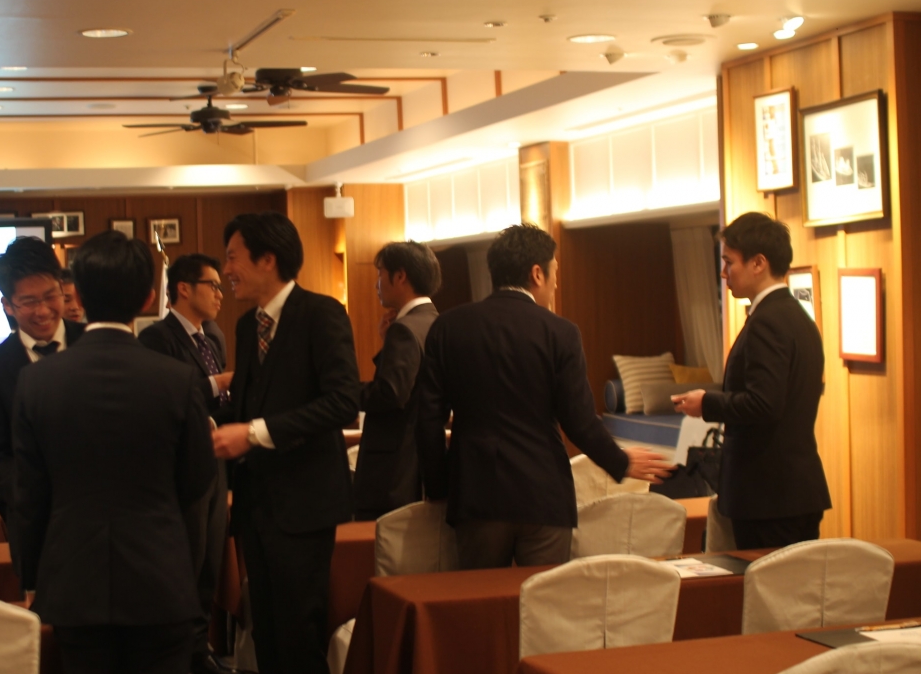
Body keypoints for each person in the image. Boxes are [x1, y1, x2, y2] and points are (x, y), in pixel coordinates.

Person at [10, 230, 216, 674]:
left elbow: (29, 496)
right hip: (160, 578)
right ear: (148, 297)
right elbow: (198, 480)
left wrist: (31, 578)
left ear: (75, 293)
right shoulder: (177, 380)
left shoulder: (37, 382)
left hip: (73, 581)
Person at [417, 222, 671, 569]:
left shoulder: (449, 327)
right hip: (543, 495)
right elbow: (579, 421)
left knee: (482, 597)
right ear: (537, 273)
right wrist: (620, 461)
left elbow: (427, 419)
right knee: (544, 597)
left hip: (476, 494)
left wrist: (438, 486)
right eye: (555, 272)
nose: (556, 283)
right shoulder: (560, 332)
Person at [210, 212, 360, 674]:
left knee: (299, 639)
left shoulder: (321, 315)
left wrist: (251, 433)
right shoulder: (247, 327)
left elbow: (342, 402)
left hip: (304, 506)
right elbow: (251, 402)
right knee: (268, 641)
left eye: (232, 257)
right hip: (256, 505)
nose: (227, 269)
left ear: (267, 259)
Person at [673, 212, 830, 548]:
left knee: (768, 582)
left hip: (768, 495)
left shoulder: (767, 321)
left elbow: (764, 403)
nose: (723, 272)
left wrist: (707, 403)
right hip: (793, 490)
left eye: (729, 262)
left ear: (758, 263)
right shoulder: (799, 318)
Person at [138, 253, 244, 674]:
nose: (220, 294)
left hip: (215, 459)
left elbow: (220, 404)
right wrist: (220, 382)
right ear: (183, 288)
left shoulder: (212, 337)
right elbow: (165, 398)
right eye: (212, 285)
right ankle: (173, 657)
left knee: (208, 562)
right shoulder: (156, 339)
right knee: (183, 561)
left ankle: (200, 651)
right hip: (179, 468)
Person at [0, 237, 85, 521]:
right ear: (8, 305)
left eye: (50, 296)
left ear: (63, 289)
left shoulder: (93, 343)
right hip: (30, 515)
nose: (43, 311)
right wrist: (41, 492)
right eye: (29, 302)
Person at [353, 241, 442, 520]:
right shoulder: (435, 321)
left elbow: (390, 394)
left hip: (393, 468)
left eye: (380, 273)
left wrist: (342, 393)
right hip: (422, 460)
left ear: (400, 276)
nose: (376, 283)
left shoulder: (404, 329)